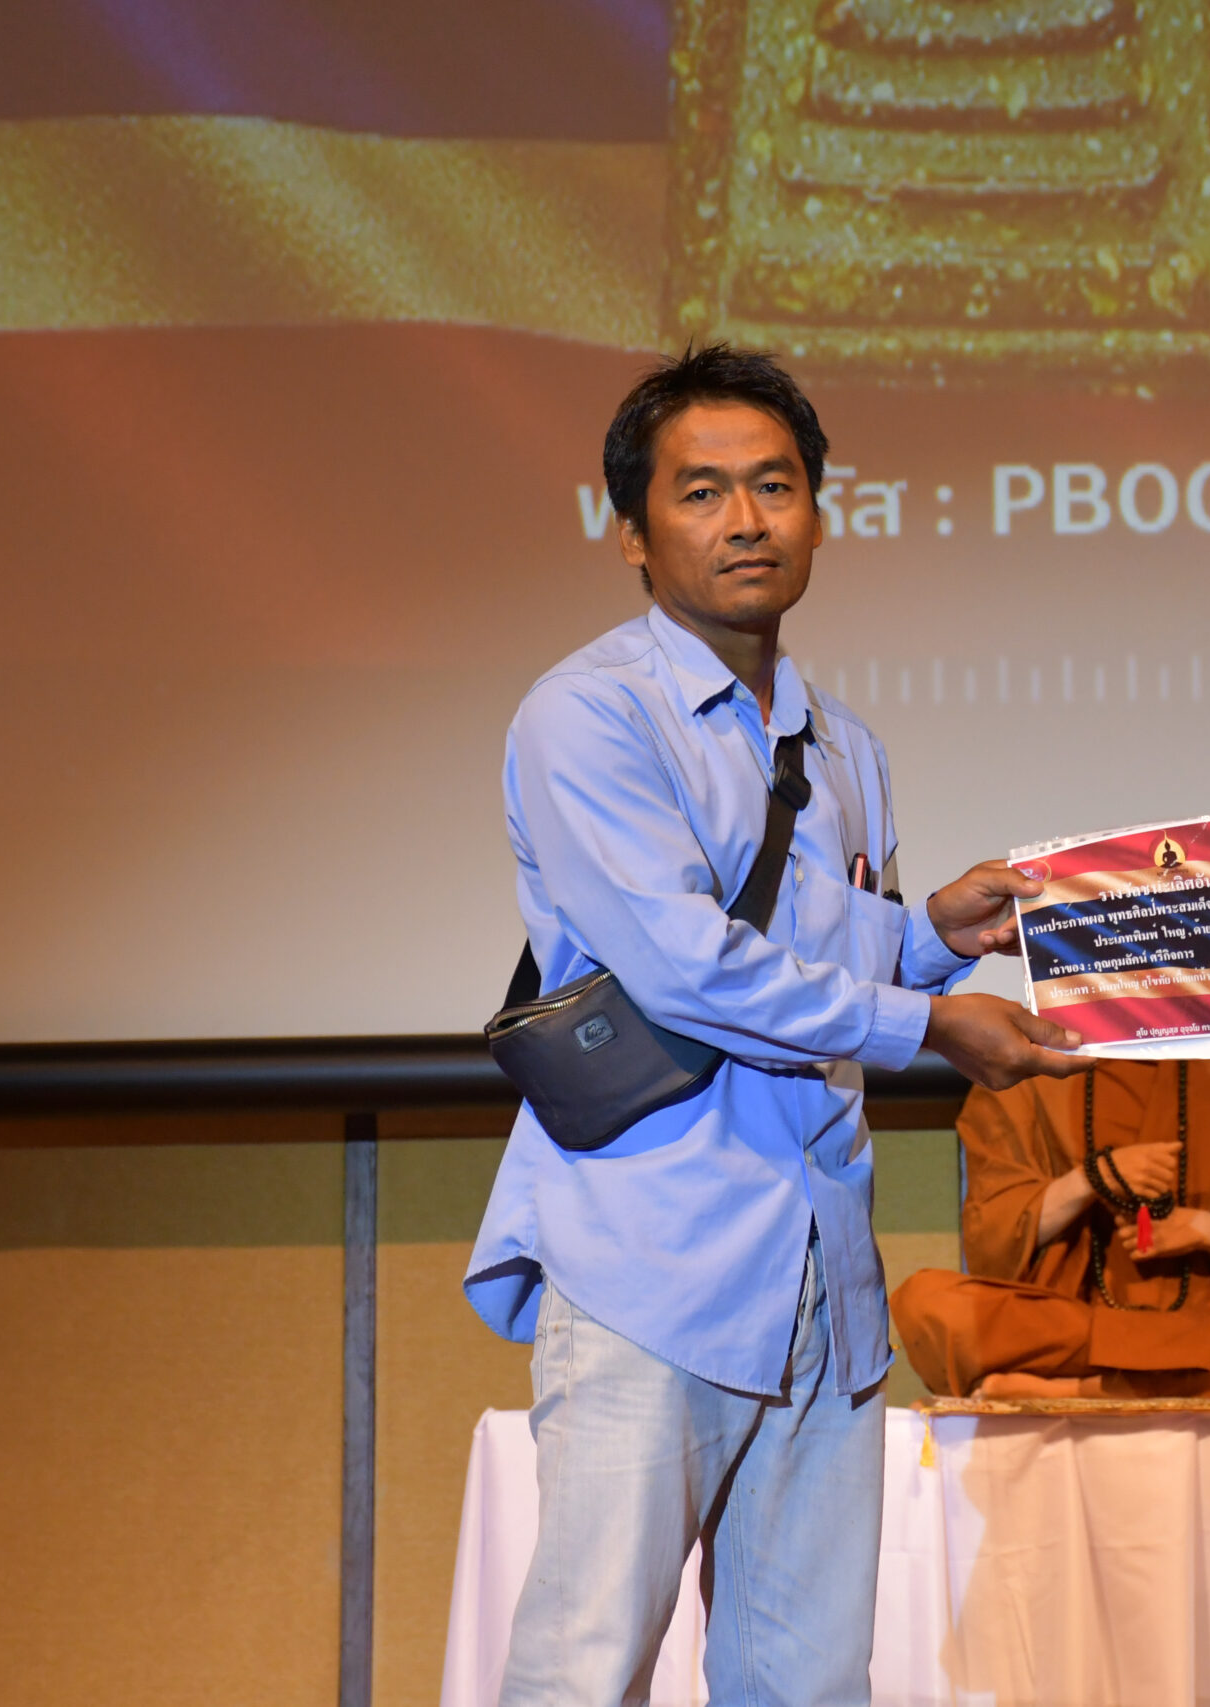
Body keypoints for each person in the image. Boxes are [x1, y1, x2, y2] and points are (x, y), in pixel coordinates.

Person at [464, 344, 1086, 1707]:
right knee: (583, 1673)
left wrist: (935, 935)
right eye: (702, 492)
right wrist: (930, 1021)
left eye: (776, 485)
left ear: (818, 511)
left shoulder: (842, 744)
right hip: (651, 1259)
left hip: (822, 1269)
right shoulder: (587, 716)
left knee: (808, 1684)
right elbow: (687, 967)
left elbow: (822, 949)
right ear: (633, 531)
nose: (745, 519)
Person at [891, 1054, 1210, 1400]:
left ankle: (1077, 1391)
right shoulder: (1030, 1057)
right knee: (927, 1303)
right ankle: (1205, 1342)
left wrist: (1200, 1228)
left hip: (1105, 1343)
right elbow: (991, 1240)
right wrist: (1092, 1179)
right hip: (1081, 1320)